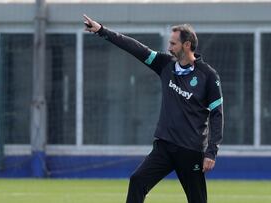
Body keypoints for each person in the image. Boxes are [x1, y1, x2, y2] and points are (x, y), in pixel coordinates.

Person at [83, 14, 224, 203]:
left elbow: (217, 115)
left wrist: (211, 152)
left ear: (187, 45)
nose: (169, 47)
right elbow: (136, 48)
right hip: (164, 147)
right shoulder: (165, 65)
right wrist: (102, 31)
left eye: (173, 43)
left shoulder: (208, 75)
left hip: (191, 150)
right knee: (137, 181)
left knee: (197, 199)